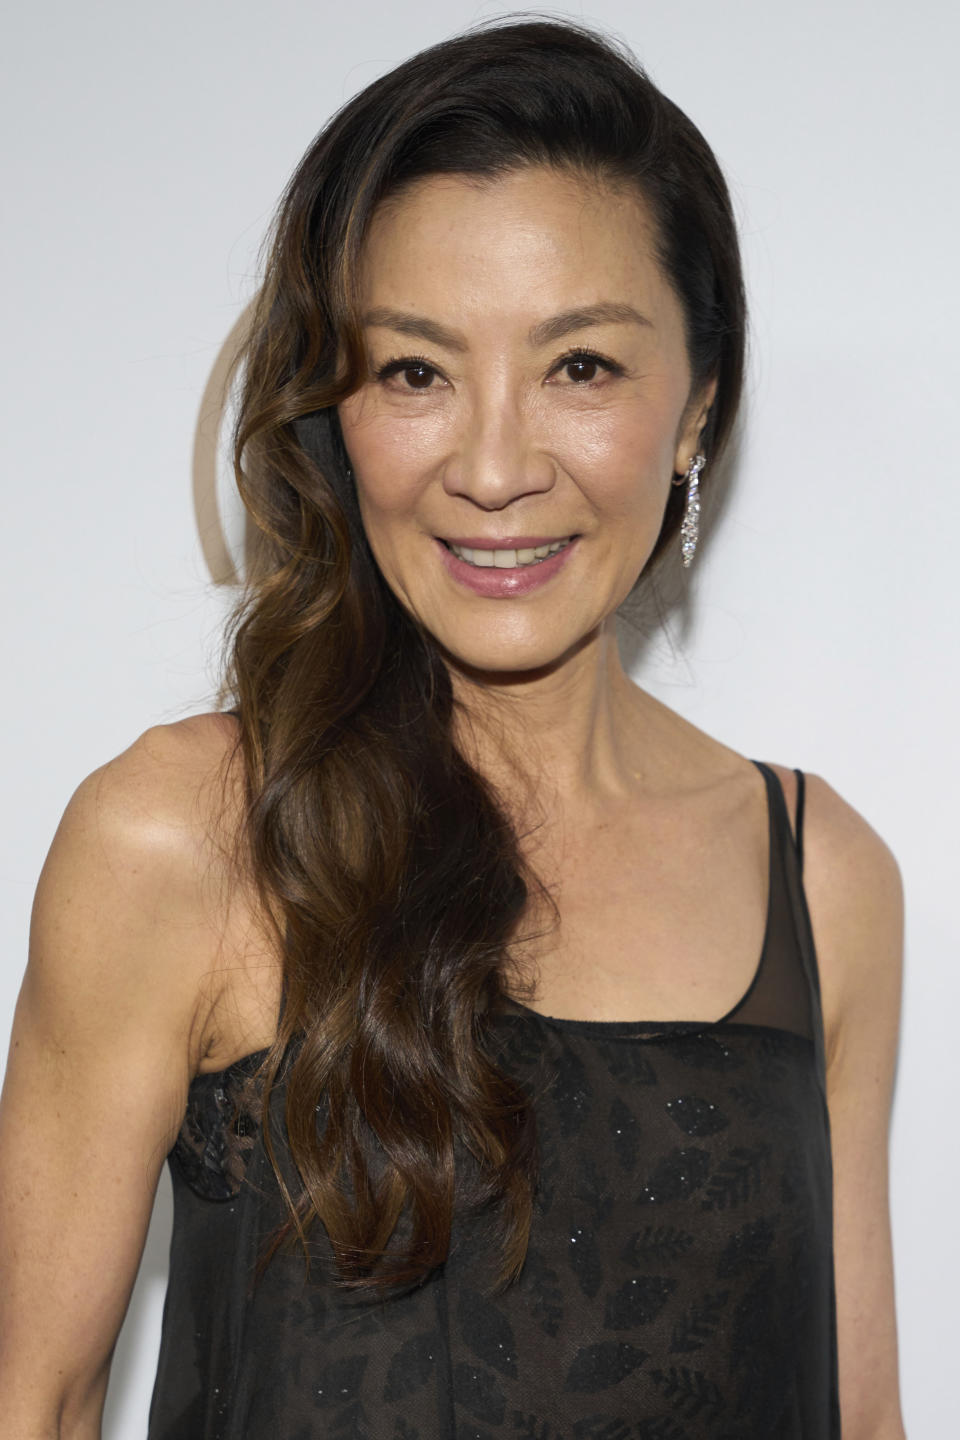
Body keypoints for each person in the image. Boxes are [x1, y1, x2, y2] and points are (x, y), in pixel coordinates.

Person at [0, 17, 905, 1439]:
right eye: (415, 371)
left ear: (698, 410)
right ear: (337, 409)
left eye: (582, 369)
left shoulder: (821, 875)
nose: (492, 467)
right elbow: (30, 1403)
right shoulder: (184, 836)